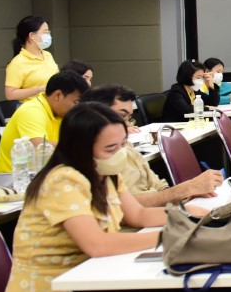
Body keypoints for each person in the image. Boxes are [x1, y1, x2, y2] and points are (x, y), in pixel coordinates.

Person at [0, 102, 205, 292]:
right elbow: (97, 244)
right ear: (81, 148)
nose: (120, 154)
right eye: (110, 149)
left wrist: (185, 215)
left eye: (122, 145)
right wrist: (169, 235)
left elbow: (138, 215)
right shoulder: (63, 181)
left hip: (86, 291)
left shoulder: (106, 173)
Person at [81, 84, 223, 206]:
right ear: (93, 115)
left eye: (129, 118)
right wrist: (187, 188)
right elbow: (130, 207)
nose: (127, 125)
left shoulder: (127, 147)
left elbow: (159, 187)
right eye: (122, 116)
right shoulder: (94, 161)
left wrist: (184, 198)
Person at [0, 70, 89, 172]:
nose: (78, 108)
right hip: (16, 177)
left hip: (43, 172)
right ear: (58, 95)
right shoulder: (32, 111)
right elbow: (41, 148)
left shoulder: (60, 113)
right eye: (76, 102)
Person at [4, 15, 59, 101]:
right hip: (33, 107)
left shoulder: (48, 55)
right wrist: (39, 89)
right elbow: (10, 95)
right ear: (32, 35)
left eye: (49, 32)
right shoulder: (17, 63)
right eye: (45, 32)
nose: (49, 36)